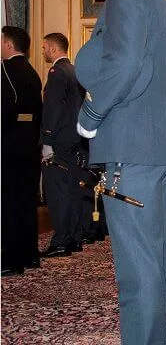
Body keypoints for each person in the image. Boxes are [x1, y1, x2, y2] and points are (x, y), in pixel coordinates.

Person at [74, 0, 166, 344]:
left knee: (138, 273)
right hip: (159, 145)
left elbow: (124, 63)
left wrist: (91, 117)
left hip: (132, 148)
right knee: (160, 260)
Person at [40, 32, 86, 258]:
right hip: (74, 139)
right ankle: (74, 238)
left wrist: (47, 141)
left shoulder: (56, 72)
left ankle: (60, 241)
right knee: (72, 191)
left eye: (44, 47)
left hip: (59, 141)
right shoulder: (75, 70)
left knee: (58, 193)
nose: (43, 51)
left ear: (53, 48)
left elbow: (53, 109)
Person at [1, 26, 42, 276]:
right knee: (27, 203)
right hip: (29, 147)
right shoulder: (32, 71)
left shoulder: (5, 71)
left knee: (8, 205)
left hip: (9, 148)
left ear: (8, 44)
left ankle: (10, 260)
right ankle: (30, 255)